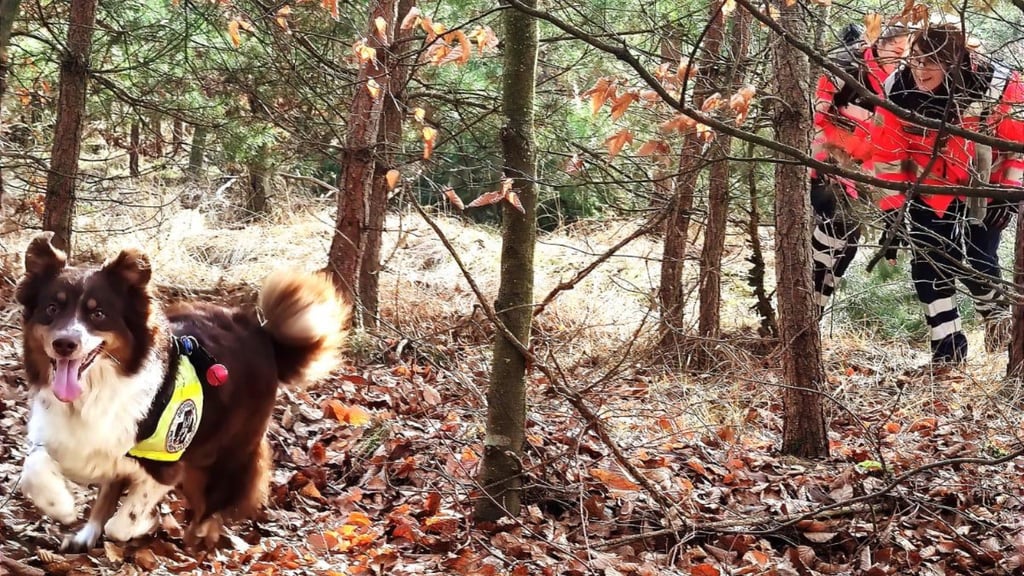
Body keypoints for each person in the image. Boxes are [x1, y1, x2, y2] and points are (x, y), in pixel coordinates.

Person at [870, 23, 1022, 363]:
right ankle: (947, 353)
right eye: (916, 60)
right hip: (930, 187)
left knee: (981, 260)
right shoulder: (897, 87)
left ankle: (1004, 342)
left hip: (986, 187)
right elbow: (886, 152)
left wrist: (1010, 192)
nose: (921, 70)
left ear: (956, 61)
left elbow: (1017, 145)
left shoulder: (998, 84)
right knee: (929, 265)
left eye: (932, 62)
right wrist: (891, 211)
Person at [809, 23, 911, 314]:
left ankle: (814, 308)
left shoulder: (899, 85)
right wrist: (821, 161)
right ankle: (805, 298)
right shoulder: (846, 65)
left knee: (850, 246)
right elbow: (815, 115)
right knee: (838, 227)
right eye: (896, 50)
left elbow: (891, 147)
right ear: (878, 44)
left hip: (860, 170)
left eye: (906, 53)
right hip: (825, 159)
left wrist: (894, 209)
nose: (900, 58)